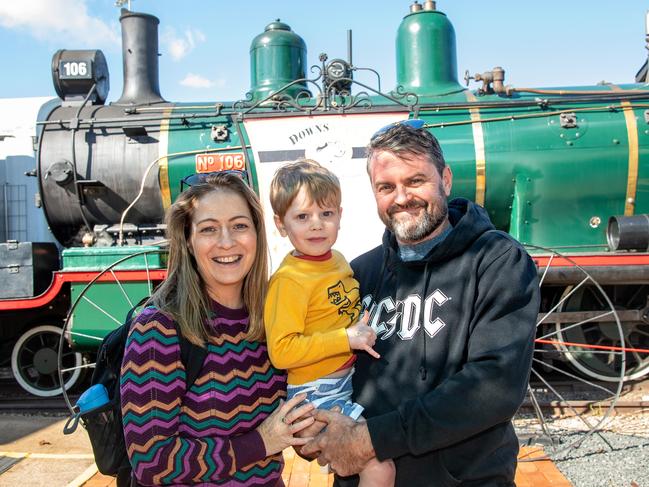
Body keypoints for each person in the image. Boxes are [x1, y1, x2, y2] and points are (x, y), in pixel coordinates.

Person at [301, 121, 540, 486]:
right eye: (386, 187)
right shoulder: (359, 273)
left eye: (415, 181)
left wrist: (373, 440)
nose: (401, 197)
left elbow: (495, 386)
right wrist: (314, 426)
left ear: (444, 179)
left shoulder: (496, 260)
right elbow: (322, 365)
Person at [120, 172, 315, 487]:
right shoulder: (159, 328)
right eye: (209, 229)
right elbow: (151, 460)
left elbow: (290, 421)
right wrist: (262, 442)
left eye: (239, 225)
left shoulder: (272, 317)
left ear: (256, 233)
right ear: (188, 239)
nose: (227, 242)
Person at [264, 160, 396, 487]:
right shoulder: (290, 281)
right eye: (302, 217)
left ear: (340, 215)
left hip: (343, 382)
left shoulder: (336, 261)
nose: (316, 226)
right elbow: (281, 351)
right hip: (315, 394)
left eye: (326, 214)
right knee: (380, 466)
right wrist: (345, 338)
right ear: (282, 225)